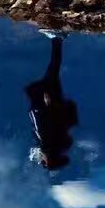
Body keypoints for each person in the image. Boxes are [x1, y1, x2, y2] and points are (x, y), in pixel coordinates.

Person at [25, 32, 79, 171]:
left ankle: (57, 40)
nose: (41, 161)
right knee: (52, 71)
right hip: (48, 104)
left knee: (53, 71)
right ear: (48, 160)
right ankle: (57, 38)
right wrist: (45, 106)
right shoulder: (47, 145)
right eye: (44, 162)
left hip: (53, 104)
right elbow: (44, 124)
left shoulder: (58, 146)